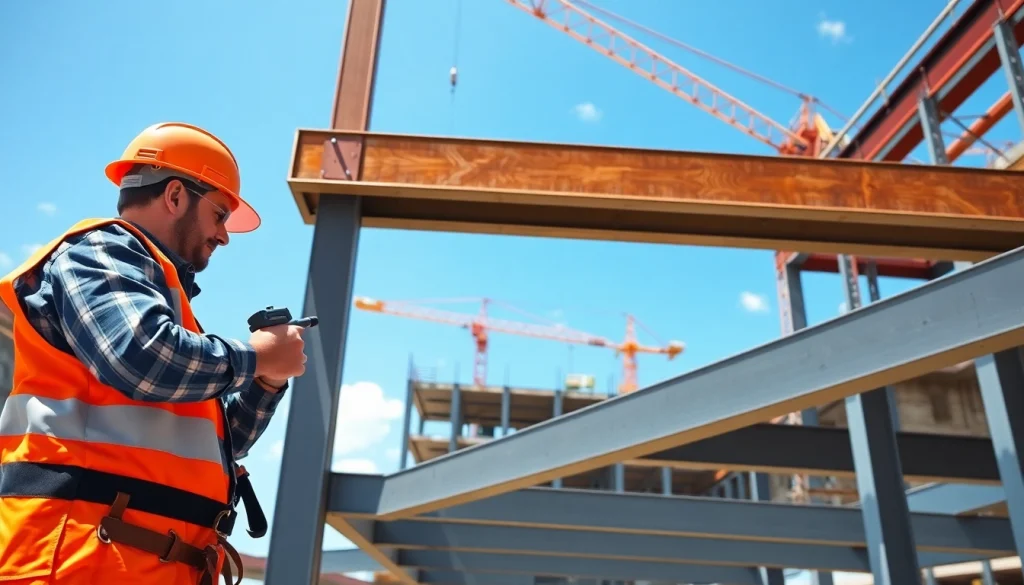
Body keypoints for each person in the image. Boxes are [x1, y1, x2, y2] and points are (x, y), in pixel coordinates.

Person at [0, 122, 308, 585]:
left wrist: (268, 380)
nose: (224, 236)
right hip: (78, 560)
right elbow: (139, 357)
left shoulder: (169, 312)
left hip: (131, 562)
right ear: (176, 196)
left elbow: (218, 446)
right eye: (220, 215)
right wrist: (257, 357)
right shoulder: (99, 250)